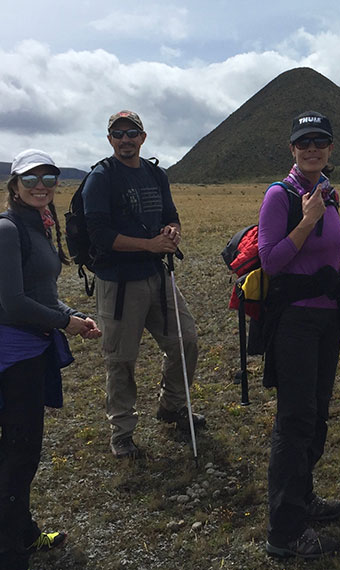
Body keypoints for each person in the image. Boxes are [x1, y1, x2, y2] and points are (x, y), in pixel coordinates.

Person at [0, 149, 102, 570]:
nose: (42, 184)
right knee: (19, 456)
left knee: (25, 448)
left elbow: (40, 292)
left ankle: (24, 534)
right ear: (14, 184)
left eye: (50, 176)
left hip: (34, 346)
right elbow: (13, 302)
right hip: (15, 355)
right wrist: (64, 321)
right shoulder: (7, 230)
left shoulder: (41, 224)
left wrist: (72, 313)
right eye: (31, 178)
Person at [259, 111, 340, 559]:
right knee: (295, 420)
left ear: (331, 149)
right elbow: (272, 262)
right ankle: (284, 532)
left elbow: (330, 249)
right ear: (292, 149)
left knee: (316, 413)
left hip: (328, 320)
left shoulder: (328, 194)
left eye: (321, 141)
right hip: (295, 322)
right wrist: (305, 220)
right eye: (305, 143)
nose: (313, 148)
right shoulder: (279, 197)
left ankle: (303, 499)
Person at [81, 110, 202, 459]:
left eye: (131, 133)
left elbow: (170, 214)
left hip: (157, 276)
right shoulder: (101, 179)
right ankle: (122, 432)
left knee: (186, 339)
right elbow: (99, 235)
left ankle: (173, 406)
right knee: (120, 359)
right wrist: (148, 245)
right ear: (109, 140)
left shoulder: (155, 174)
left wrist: (172, 231)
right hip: (118, 283)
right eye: (117, 134)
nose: (125, 139)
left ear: (143, 137)